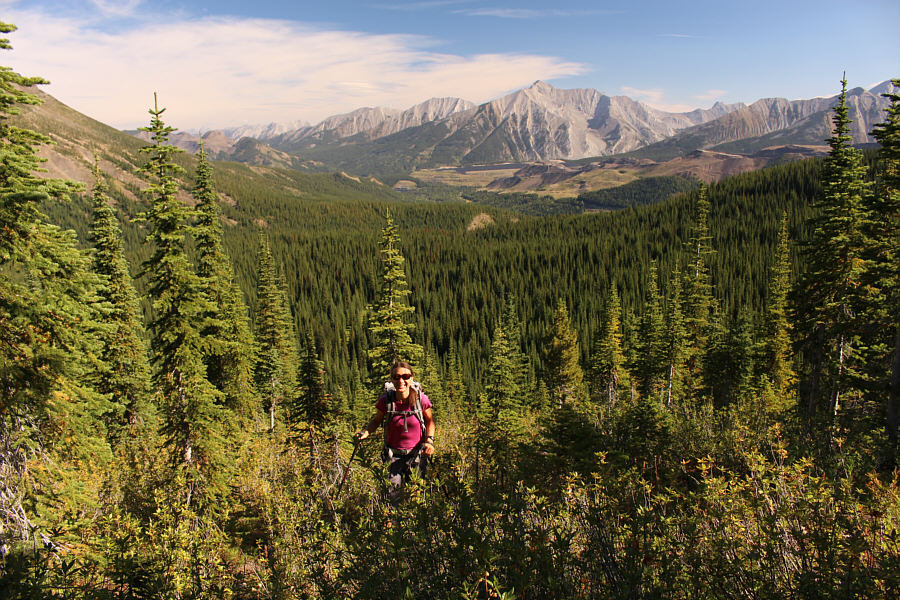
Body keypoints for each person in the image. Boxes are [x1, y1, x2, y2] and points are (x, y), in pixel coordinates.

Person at [357, 361, 435, 499]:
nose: (401, 381)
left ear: (411, 378)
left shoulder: (421, 400)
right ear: (392, 379)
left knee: (416, 498)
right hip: (393, 456)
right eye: (396, 377)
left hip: (416, 455)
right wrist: (366, 432)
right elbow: (376, 421)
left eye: (405, 377)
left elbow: (430, 421)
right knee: (392, 498)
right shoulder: (386, 401)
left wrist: (429, 441)